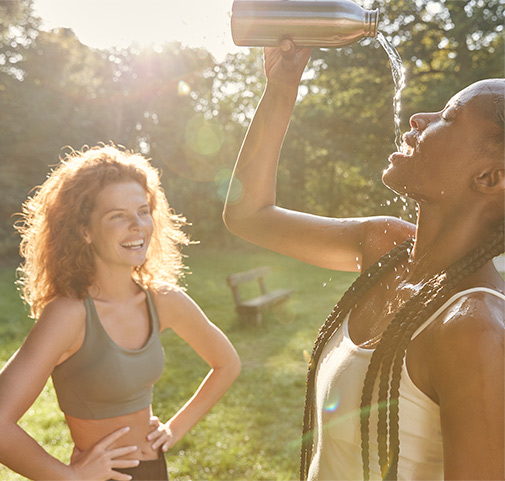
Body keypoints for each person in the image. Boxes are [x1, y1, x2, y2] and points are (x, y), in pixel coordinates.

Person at [223, 41, 504, 480]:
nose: (419, 118)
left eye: (448, 117)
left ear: (489, 177)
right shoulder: (383, 248)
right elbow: (247, 215)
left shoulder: (474, 328)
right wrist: (280, 88)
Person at [0, 144, 241, 481]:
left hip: (155, 470)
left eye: (143, 211)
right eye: (118, 216)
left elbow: (227, 363)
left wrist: (174, 429)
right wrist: (71, 477)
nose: (137, 225)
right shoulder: (69, 315)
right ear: (84, 230)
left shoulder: (163, 299)